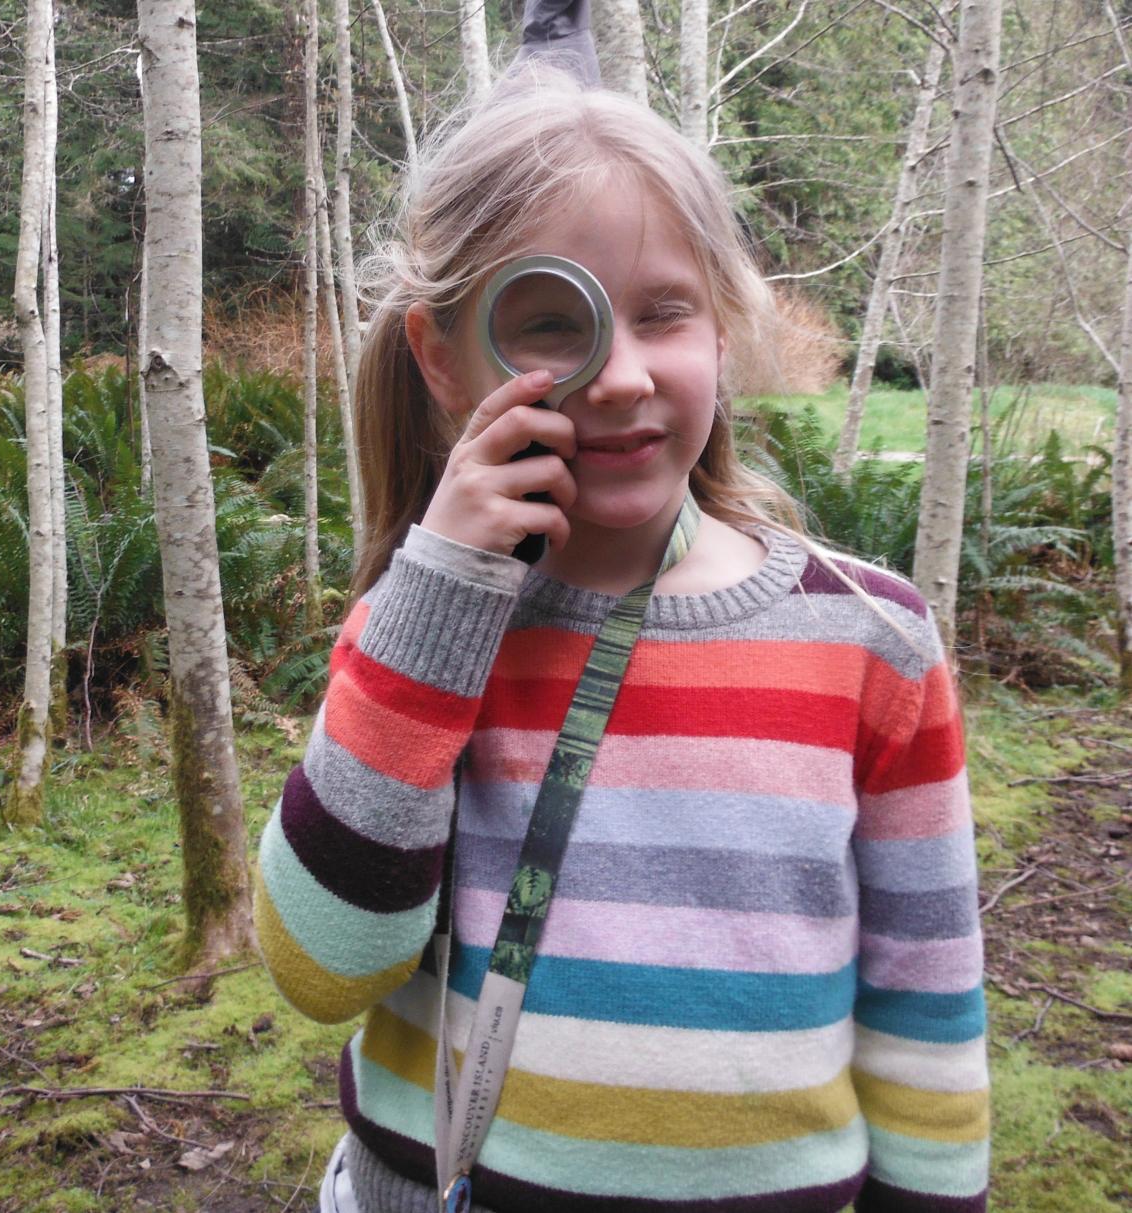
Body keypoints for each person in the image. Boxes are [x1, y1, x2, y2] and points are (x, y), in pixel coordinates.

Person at [255, 65, 990, 1213]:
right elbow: (320, 966)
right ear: (443, 358)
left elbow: (926, 1006)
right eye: (553, 323)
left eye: (663, 311)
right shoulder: (415, 638)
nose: (624, 375)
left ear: (722, 320)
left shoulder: (868, 639)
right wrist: (440, 594)